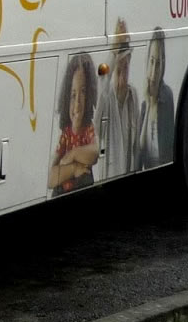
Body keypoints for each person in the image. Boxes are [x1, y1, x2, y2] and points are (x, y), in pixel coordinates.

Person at [49, 53, 99, 197]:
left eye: (83, 92)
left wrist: (73, 154)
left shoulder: (88, 130)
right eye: (72, 95)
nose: (77, 104)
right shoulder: (66, 135)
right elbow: (51, 178)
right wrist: (74, 168)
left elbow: (95, 153)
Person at [99, 20, 137, 178]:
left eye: (125, 69)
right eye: (118, 71)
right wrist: (113, 51)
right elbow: (101, 83)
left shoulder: (133, 96)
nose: (122, 79)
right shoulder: (106, 99)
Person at [134, 28, 176, 170]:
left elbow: (167, 149)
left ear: (163, 66)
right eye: (152, 62)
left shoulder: (167, 97)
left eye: (158, 64)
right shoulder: (144, 104)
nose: (153, 72)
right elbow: (140, 150)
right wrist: (149, 105)